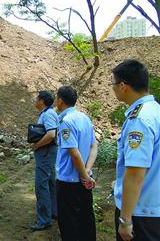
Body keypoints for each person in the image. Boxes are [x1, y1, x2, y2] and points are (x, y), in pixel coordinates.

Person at [111, 59, 160, 241]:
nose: (113, 89)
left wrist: (125, 220)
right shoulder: (155, 111)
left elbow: (135, 173)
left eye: (113, 84)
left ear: (123, 86)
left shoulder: (139, 119)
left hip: (141, 214)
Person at [55, 85, 98, 241]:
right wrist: (87, 171)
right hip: (84, 181)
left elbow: (74, 152)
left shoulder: (65, 121)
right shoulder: (84, 118)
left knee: (69, 224)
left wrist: (84, 175)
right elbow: (94, 145)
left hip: (69, 182)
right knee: (86, 221)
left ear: (60, 100)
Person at [30, 91, 58, 231]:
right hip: (48, 153)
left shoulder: (48, 114)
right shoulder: (47, 113)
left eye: (36, 98)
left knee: (41, 185)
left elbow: (51, 134)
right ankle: (53, 212)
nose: (35, 100)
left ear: (41, 101)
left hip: (46, 153)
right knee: (50, 183)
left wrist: (37, 145)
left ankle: (44, 220)